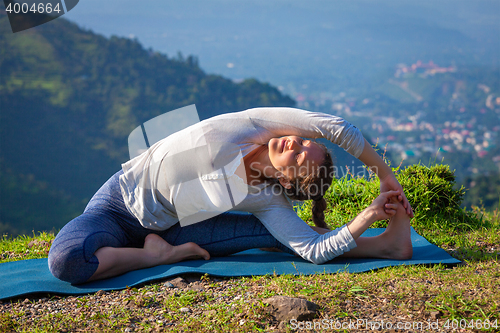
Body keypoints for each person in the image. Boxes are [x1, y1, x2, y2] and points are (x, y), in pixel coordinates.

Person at [48, 107, 414, 284]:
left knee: (282, 236)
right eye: (304, 143)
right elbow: (335, 127)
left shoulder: (268, 199)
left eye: (300, 157)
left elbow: (312, 251)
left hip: (175, 227)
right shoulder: (253, 126)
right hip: (115, 205)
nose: (296, 143)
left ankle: (387, 245)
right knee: (66, 262)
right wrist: (385, 176)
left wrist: (367, 216)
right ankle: (153, 257)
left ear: (289, 183)